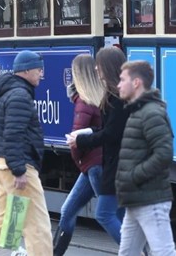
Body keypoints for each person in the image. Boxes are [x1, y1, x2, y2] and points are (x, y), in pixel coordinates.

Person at [0, 50, 53, 255]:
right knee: (38, 226)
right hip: (18, 169)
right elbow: (14, 135)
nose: (41, 74)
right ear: (26, 71)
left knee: (5, 221)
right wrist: (19, 170)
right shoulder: (20, 95)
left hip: (3, 166)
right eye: (39, 70)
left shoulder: (10, 92)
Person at [115, 60, 176, 256]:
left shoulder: (150, 113)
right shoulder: (139, 112)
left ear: (136, 83)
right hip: (138, 198)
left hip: (150, 198)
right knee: (128, 253)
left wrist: (134, 176)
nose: (118, 85)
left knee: (163, 252)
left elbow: (164, 153)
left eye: (122, 79)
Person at [69, 47, 127, 246]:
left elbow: (111, 133)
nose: (96, 69)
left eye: (99, 65)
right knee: (125, 217)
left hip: (110, 165)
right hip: (109, 163)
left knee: (105, 213)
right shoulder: (113, 95)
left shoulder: (115, 98)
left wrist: (80, 142)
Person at [54, 54, 106, 255]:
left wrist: (79, 160)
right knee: (68, 210)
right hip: (92, 166)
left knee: (110, 214)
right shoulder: (98, 97)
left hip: (93, 165)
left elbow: (75, 139)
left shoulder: (83, 101)